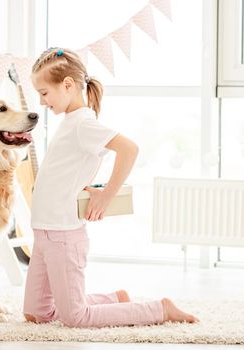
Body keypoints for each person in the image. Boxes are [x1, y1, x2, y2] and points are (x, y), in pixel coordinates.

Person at [23, 47, 198, 328]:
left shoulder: (83, 124)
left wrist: (107, 195)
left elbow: (129, 149)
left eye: (44, 93)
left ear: (67, 85)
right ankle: (115, 298)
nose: (42, 102)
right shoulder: (70, 122)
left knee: (76, 318)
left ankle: (159, 309)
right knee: (37, 314)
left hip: (63, 236)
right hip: (44, 233)